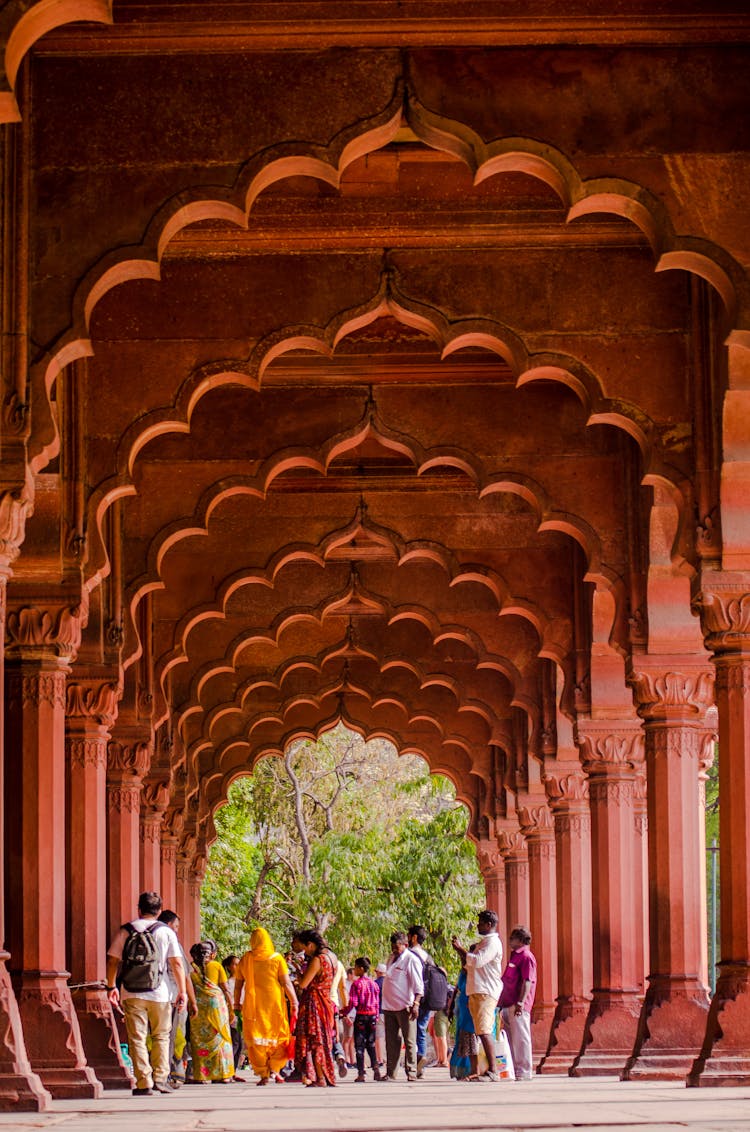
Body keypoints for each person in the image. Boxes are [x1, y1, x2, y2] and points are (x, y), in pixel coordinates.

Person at [106, 890, 188, 1096]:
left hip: (131, 992)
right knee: (161, 1036)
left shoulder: (126, 931)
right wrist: (182, 991)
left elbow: (113, 960)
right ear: (159, 911)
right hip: (160, 992)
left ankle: (144, 1082)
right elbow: (177, 963)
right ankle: (161, 1078)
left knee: (137, 1038)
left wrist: (111, 986)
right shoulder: (166, 932)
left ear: (139, 909)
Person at [234, 927, 298, 1085]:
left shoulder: (246, 959)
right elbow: (286, 983)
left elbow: (238, 985)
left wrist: (236, 1003)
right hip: (274, 1005)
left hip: (253, 1007)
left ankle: (263, 1073)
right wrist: (294, 1001)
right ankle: (275, 1070)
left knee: (257, 1039)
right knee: (278, 1036)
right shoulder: (277, 959)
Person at [451, 909, 504, 1082]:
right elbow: (470, 965)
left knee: (484, 1031)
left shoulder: (492, 943)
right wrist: (460, 952)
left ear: (489, 925)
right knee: (480, 1031)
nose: (478, 925)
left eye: (480, 922)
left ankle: (493, 1071)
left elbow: (476, 961)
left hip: (485, 992)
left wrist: (461, 949)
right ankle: (483, 1070)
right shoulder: (484, 943)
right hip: (477, 991)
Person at [157, 909, 198, 1087]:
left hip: (151, 993)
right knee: (175, 1035)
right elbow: (183, 971)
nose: (177, 930)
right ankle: (173, 1072)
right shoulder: (172, 941)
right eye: (176, 926)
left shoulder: (148, 936)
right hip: (173, 995)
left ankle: (156, 1072)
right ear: (168, 925)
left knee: (156, 1035)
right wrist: (190, 999)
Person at [294, 929, 338, 1087]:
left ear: (310, 945)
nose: (305, 952)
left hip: (314, 1003)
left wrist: (298, 974)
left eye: (305, 948)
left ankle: (319, 1077)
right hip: (326, 1002)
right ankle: (324, 1075)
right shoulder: (332, 957)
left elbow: (304, 984)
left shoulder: (318, 959)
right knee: (324, 1040)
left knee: (315, 1040)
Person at [379, 930, 424, 1082]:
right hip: (389, 1006)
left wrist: (416, 1004)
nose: (394, 950)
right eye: (392, 946)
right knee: (391, 1042)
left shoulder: (411, 959)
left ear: (405, 945)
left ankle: (412, 1072)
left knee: (409, 1041)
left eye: (396, 947)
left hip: (406, 1006)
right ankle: (391, 1073)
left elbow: (418, 985)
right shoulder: (391, 958)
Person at [189, 940, 235, 1083]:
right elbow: (226, 989)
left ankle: (202, 1076)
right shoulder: (216, 966)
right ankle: (223, 1075)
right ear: (213, 955)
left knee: (199, 1040)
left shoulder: (191, 969)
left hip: (198, 1006)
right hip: (216, 1006)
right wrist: (232, 1007)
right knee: (220, 1038)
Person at [499, 925, 537, 1082]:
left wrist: (521, 1002)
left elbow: (527, 981)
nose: (510, 940)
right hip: (508, 1002)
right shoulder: (514, 956)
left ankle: (524, 1070)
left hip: (518, 1003)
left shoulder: (526, 957)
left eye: (513, 938)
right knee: (511, 1037)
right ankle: (515, 1068)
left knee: (521, 1037)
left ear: (521, 940)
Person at [347, 957, 381, 1082]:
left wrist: (345, 1012)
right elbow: (377, 1003)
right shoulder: (374, 984)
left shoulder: (356, 984)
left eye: (355, 967)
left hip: (361, 1016)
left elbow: (353, 1002)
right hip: (372, 1016)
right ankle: (376, 1069)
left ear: (361, 969)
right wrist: (376, 1016)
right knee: (371, 1044)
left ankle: (361, 1073)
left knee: (359, 1045)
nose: (354, 970)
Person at [407, 924, 433, 1077]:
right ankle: (420, 1064)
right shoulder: (427, 956)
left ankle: (413, 1062)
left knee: (410, 1031)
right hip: (427, 998)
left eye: (409, 936)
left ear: (414, 937)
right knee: (421, 1030)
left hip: (413, 998)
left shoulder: (409, 955)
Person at [448, 962, 477, 1079]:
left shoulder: (476, 972)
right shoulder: (463, 973)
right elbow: (456, 989)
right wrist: (450, 1007)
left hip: (470, 1008)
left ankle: (471, 1069)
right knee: (461, 1037)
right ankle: (461, 1070)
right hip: (462, 1008)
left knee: (470, 1037)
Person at [222, 954, 245, 1077]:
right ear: (229, 967)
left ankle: (233, 1071)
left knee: (240, 1044)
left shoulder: (244, 981)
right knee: (234, 1043)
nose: (238, 966)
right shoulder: (228, 983)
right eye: (235, 964)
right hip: (233, 1015)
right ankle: (228, 1071)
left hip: (243, 1015)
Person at [374, 962, 387, 1068]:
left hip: (378, 1012)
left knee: (379, 1037)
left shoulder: (375, 984)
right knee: (390, 1037)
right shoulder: (390, 982)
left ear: (378, 972)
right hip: (389, 1011)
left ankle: (380, 1058)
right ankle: (388, 1057)